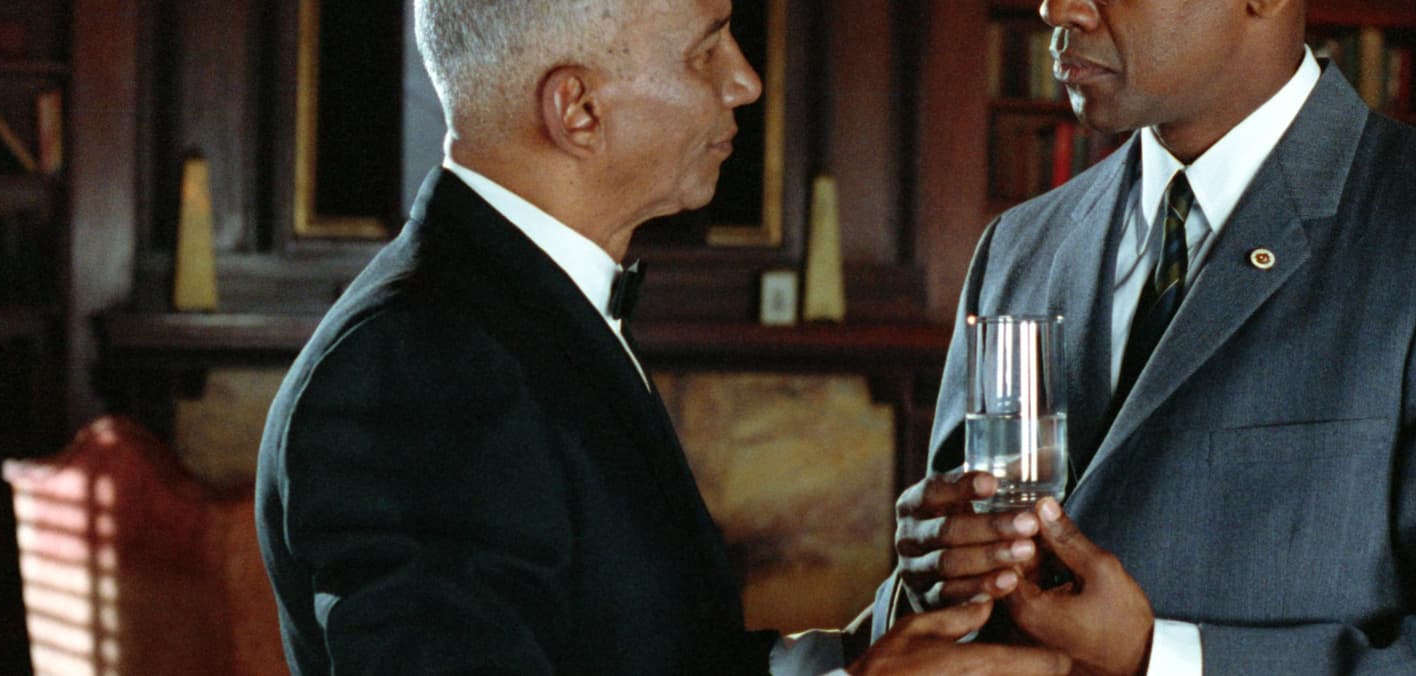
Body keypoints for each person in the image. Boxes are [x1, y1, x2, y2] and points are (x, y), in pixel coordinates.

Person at [254, 1, 1072, 674]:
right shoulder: (423, 365)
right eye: (705, 50)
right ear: (578, 110)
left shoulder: (515, 315)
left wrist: (885, 639)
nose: (745, 81)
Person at [875, 0, 1416, 673]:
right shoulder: (1017, 247)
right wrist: (924, 581)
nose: (1057, 8)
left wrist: (1157, 661)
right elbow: (938, 621)